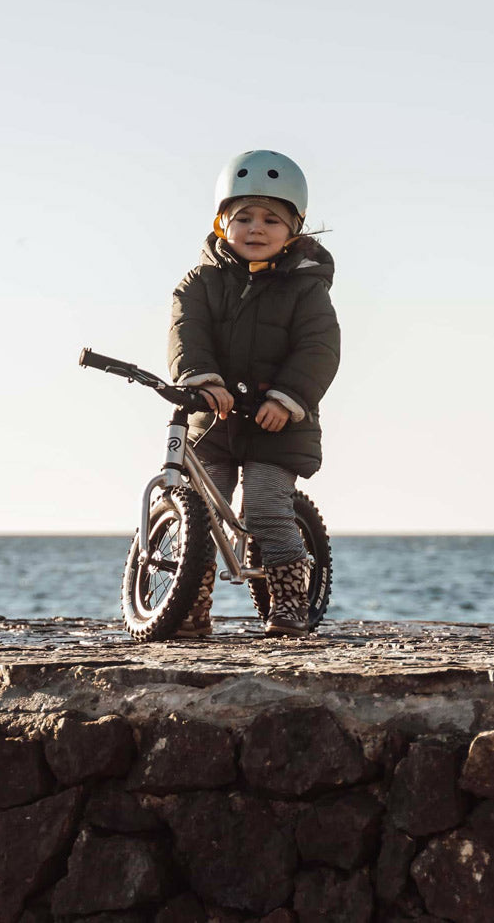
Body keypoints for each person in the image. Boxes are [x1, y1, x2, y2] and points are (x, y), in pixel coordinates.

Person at [167, 150, 341, 637]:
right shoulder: (198, 283)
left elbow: (318, 348)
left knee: (265, 508)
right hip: (216, 418)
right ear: (222, 224)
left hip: (278, 422)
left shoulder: (306, 288)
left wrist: (288, 398)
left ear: (295, 230)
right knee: (198, 512)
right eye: (243, 217)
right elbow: (186, 332)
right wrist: (201, 378)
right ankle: (189, 607)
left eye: (271, 219)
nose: (256, 228)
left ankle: (289, 600)